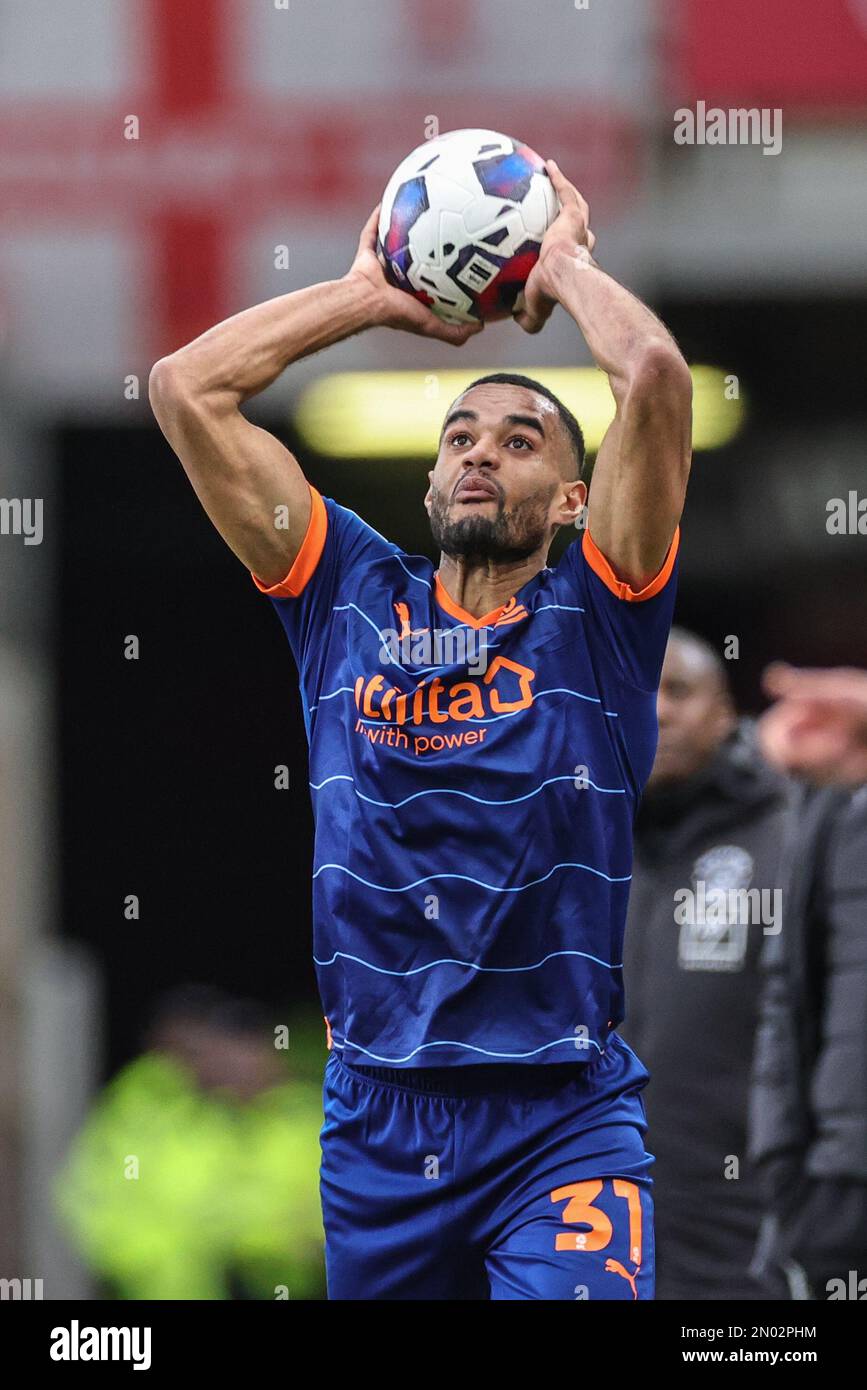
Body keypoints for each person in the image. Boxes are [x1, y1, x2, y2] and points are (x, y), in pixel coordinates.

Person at [149, 160, 693, 1300]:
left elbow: (650, 373)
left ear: (574, 499)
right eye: (459, 436)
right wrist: (367, 295)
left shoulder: (598, 614)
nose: (480, 451)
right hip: (380, 1121)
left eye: (520, 438)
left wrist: (566, 267)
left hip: (562, 1114)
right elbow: (184, 387)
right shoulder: (343, 590)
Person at [620, 629, 792, 1298]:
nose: (657, 709)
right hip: (592, 1237)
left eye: (679, 692)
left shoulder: (792, 834)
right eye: (639, 691)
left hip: (748, 1240)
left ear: (723, 714)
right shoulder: (576, 847)